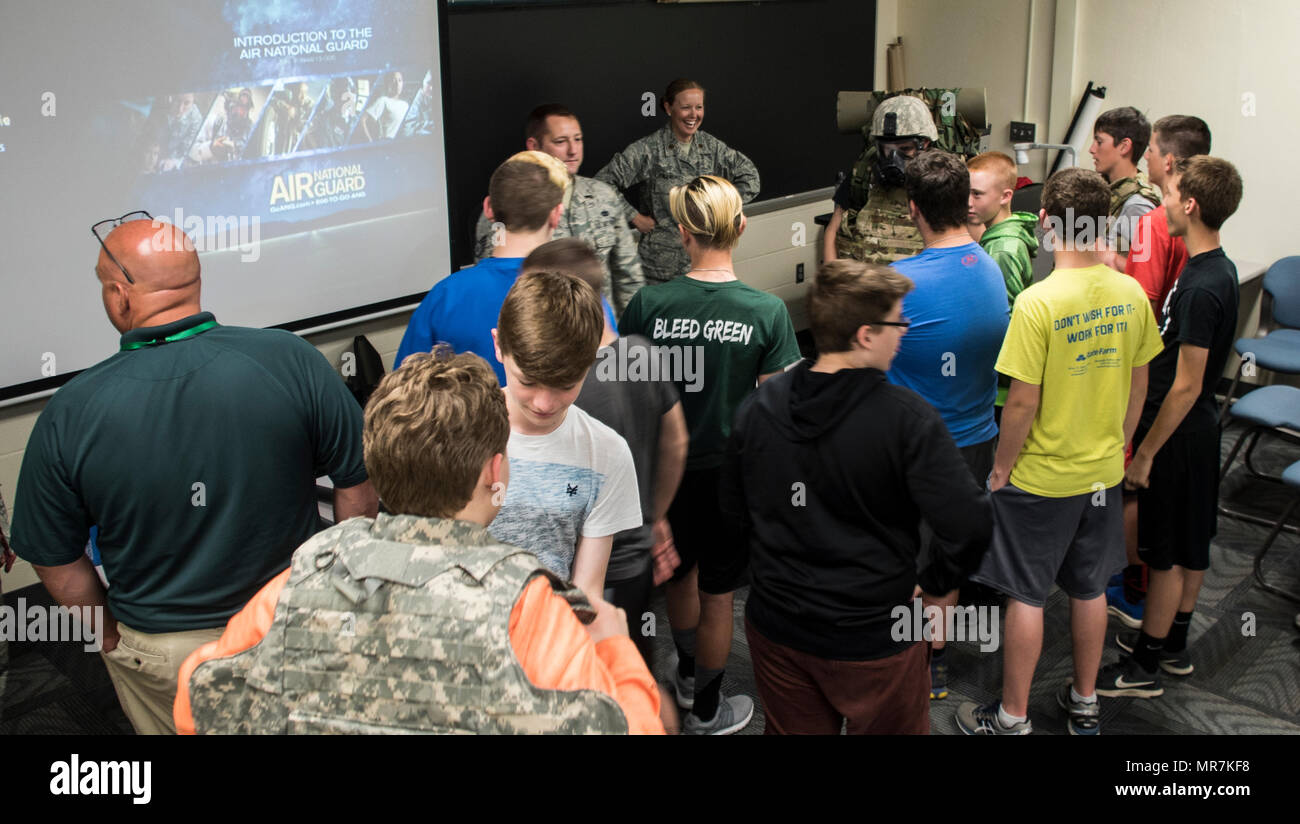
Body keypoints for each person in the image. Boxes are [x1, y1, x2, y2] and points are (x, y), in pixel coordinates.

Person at [9, 215, 377, 734]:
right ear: (193, 281)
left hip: (166, 653)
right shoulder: (291, 359)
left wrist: (107, 634)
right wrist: (334, 584)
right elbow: (358, 480)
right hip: (293, 622)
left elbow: (51, 554)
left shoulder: (69, 413)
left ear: (120, 296)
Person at [174, 349, 665, 735]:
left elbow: (196, 699)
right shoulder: (527, 607)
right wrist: (617, 650)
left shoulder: (304, 574)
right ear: (496, 470)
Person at [723, 259, 992, 734]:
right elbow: (969, 522)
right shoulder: (907, 418)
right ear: (865, 334)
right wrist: (932, 583)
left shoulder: (759, 406)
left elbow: (731, 511)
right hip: (877, 637)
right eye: (897, 322)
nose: (904, 331)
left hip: (777, 627)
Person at [955, 168, 1163, 736]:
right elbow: (1140, 381)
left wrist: (1001, 469)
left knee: (1026, 593)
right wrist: (1121, 440)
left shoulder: (1038, 303)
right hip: (1101, 471)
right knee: (1090, 588)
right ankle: (1085, 701)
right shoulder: (1129, 292)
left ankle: (1013, 717)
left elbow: (1020, 404)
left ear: (1046, 224)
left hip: (1041, 477)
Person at [620, 175, 802, 734]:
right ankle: (706, 710)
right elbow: (777, 416)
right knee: (719, 593)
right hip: (729, 477)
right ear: (742, 228)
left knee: (679, 576)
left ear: (682, 234)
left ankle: (686, 673)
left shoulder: (649, 303)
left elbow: (629, 390)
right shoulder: (767, 312)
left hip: (662, 475)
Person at [1096, 156, 1243, 699]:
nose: (1163, 201)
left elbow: (1186, 384)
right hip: (1196, 430)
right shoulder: (1212, 267)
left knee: (1165, 557)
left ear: (1191, 205)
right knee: (1188, 544)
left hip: (1178, 436)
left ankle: (1144, 668)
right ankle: (1173, 647)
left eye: (1170, 194)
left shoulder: (1203, 286)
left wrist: (1145, 454)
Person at [523, 239, 689, 664]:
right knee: (633, 660)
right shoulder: (641, 352)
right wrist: (655, 514)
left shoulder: (560, 390)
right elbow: (676, 441)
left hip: (581, 573)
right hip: (634, 559)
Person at [888, 150, 1008, 698]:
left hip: (914, 450)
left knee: (901, 560)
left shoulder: (899, 283)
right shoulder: (991, 268)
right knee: (944, 562)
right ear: (965, 204)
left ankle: (899, 661)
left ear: (914, 209)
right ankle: (933, 661)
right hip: (977, 441)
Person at [1107, 115, 1213, 628]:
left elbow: (1144, 305)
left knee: (1135, 481)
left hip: (1150, 372)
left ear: (1168, 162)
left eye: (1151, 152)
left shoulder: (1152, 222)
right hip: (1173, 375)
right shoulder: (1193, 229)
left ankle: (1132, 588)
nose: (1146, 158)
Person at [487, 270, 643, 605]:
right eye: (527, 382)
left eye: (565, 385)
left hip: (550, 637)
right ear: (499, 345)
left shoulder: (606, 454)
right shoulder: (454, 431)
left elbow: (586, 592)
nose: (544, 403)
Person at [394, 150, 568, 385]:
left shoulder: (444, 297)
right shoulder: (579, 295)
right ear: (556, 215)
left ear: (488, 209)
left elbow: (403, 392)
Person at [475, 105, 645, 316]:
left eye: (578, 139)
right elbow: (491, 282)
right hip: (544, 335)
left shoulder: (604, 197)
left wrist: (626, 337)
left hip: (602, 333)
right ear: (534, 145)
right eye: (560, 141)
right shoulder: (507, 207)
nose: (573, 150)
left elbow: (628, 276)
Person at [597, 79, 759, 285]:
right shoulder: (649, 149)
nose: (694, 115)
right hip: (660, 270)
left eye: (699, 107)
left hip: (704, 265)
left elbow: (750, 177)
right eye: (685, 107)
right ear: (668, 107)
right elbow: (602, 183)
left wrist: (722, 208)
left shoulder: (711, 147)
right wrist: (634, 217)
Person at [824, 94, 936, 265]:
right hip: (864, 284)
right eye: (887, 149)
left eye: (905, 149)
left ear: (924, 144)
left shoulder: (942, 178)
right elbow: (833, 230)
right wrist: (830, 277)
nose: (893, 158)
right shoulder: (864, 171)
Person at [1090, 106, 1162, 264]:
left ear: (1124, 146)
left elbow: (1143, 270)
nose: (1092, 149)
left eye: (1099, 142)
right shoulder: (1110, 190)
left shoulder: (1137, 205)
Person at [967, 151, 1038, 307]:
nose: (968, 202)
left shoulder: (1001, 251)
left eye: (977, 194)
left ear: (1005, 196)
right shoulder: (1009, 234)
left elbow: (1008, 317)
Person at [358, 71, 409, 141]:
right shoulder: (383, 101)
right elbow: (362, 119)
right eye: (393, 80)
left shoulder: (405, 105)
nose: (397, 84)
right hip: (387, 142)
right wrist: (370, 141)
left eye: (400, 80)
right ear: (388, 83)